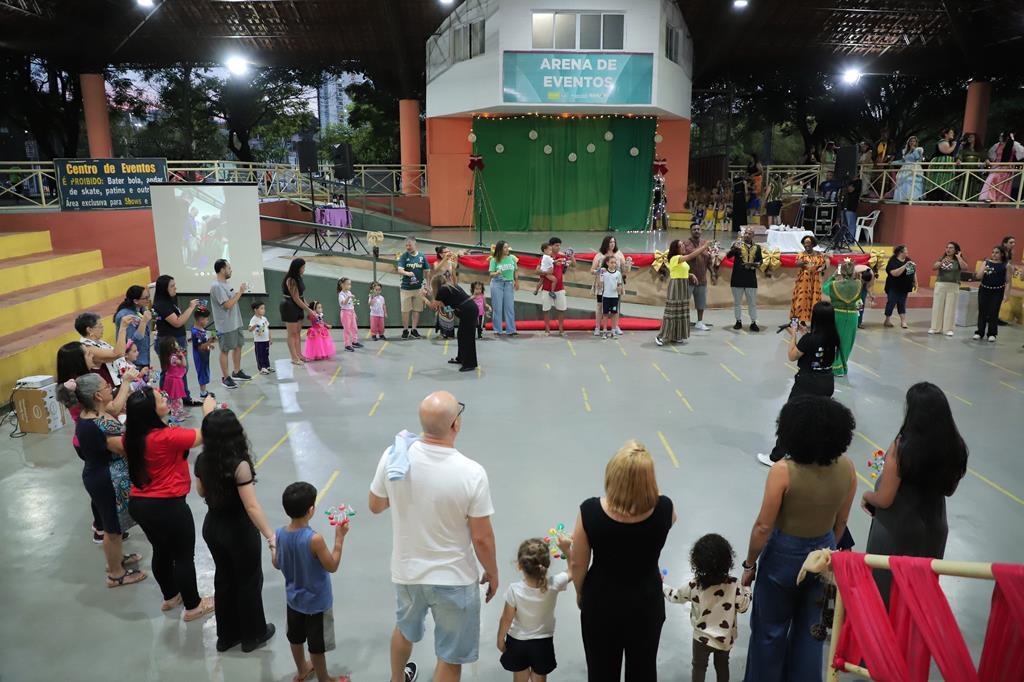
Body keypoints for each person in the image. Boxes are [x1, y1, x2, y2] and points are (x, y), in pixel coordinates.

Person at [368, 391, 497, 682]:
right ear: (455, 425)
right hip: (453, 578)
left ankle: (396, 679)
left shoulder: (394, 456)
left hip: (407, 574)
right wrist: (492, 571)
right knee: (450, 657)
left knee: (404, 628)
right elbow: (482, 539)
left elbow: (375, 505)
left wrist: (404, 494)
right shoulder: (472, 473)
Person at [741, 397, 857, 682]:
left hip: (783, 555)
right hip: (824, 553)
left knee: (770, 630)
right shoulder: (848, 468)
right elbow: (841, 522)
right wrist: (826, 546)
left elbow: (763, 526)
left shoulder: (783, 471)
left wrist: (749, 563)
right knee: (811, 631)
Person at [572, 441, 676, 681]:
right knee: (643, 669)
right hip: (646, 603)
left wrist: (580, 593)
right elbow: (668, 518)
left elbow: (578, 564)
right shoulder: (665, 508)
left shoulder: (590, 512)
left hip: (601, 604)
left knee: (601, 671)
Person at [862, 383, 968, 605]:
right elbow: (949, 490)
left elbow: (885, 499)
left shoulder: (902, 447)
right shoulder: (955, 447)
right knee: (919, 598)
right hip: (934, 528)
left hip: (896, 531)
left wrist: (867, 496)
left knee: (884, 597)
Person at [124, 387, 218, 622]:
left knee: (161, 551)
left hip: (140, 504)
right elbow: (204, 434)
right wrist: (208, 411)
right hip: (167, 505)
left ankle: (170, 596)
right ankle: (194, 605)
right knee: (184, 556)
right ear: (151, 411)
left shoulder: (132, 436)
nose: (165, 398)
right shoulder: (166, 437)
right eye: (160, 399)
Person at [194, 408, 275, 652]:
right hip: (238, 529)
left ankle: (226, 636)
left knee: (225, 578)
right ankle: (253, 635)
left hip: (213, 526)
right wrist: (270, 535)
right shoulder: (239, 466)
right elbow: (251, 505)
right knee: (249, 581)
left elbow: (200, 492)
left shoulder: (201, 460)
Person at [58, 372, 147, 587]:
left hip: (103, 476)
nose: (110, 388)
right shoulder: (96, 424)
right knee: (113, 529)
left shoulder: (94, 413)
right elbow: (125, 448)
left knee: (114, 525)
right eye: (106, 386)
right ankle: (116, 574)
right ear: (98, 395)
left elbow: (116, 408)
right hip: (106, 479)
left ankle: (116, 559)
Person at [274, 482, 349, 682]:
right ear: (311, 510)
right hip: (316, 603)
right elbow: (331, 565)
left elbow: (276, 563)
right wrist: (339, 539)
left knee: (295, 639)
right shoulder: (314, 539)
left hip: (293, 600)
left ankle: (302, 670)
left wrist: (274, 548)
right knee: (316, 646)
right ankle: (325, 679)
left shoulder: (280, 534)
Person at [758, 301, 840, 467]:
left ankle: (776, 457)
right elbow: (819, 346)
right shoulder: (835, 337)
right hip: (827, 382)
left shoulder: (809, 339)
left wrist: (794, 334)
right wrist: (806, 333)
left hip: (807, 384)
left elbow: (792, 355)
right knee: (816, 420)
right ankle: (813, 455)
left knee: (790, 420)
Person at [663, 533, 751, 682]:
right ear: (728, 561)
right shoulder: (734, 585)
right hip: (724, 638)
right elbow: (743, 607)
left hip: (700, 638)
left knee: (698, 667)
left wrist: (662, 585)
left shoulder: (694, 585)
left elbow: (675, 596)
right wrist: (747, 588)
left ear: (697, 562)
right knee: (722, 666)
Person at [497, 535, 573, 681]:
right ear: (547, 565)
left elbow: (506, 619)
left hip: (517, 642)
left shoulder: (514, 590)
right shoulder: (554, 584)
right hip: (542, 643)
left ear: (519, 565)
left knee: (520, 678)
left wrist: (500, 639)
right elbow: (573, 571)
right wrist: (566, 549)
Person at [153, 274, 202, 405]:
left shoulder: (171, 300)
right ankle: (164, 399)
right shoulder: (161, 304)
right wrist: (191, 308)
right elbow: (177, 322)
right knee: (169, 371)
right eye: (172, 286)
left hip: (178, 339)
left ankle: (184, 396)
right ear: (164, 288)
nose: (175, 288)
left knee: (182, 369)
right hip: (168, 342)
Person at [655, 238, 709, 346]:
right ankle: (661, 336)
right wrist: (704, 247)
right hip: (676, 286)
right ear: (676, 249)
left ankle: (677, 335)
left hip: (683, 285)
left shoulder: (680, 260)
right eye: (681, 246)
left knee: (681, 312)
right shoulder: (675, 258)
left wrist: (690, 275)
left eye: (683, 245)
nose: (683, 247)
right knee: (671, 312)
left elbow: (679, 271)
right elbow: (690, 256)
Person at [424, 274, 478, 372]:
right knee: (461, 335)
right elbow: (446, 307)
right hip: (468, 310)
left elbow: (433, 306)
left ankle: (470, 364)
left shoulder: (442, 290)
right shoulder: (450, 287)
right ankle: (461, 358)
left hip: (468, 312)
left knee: (467, 337)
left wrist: (422, 297)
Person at [210, 258, 251, 388]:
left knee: (238, 346)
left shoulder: (226, 284)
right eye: (228, 268)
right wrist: (240, 293)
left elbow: (232, 300)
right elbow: (227, 305)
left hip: (235, 322)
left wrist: (239, 292)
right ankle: (226, 377)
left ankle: (237, 371)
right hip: (225, 325)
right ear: (222, 269)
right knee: (225, 350)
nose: (230, 270)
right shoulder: (217, 287)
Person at [822, 260, 864, 377]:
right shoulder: (858, 284)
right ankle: (843, 365)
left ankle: (836, 366)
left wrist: (834, 277)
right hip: (852, 315)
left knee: (835, 340)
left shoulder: (834, 285)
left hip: (837, 315)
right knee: (847, 342)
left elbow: (824, 289)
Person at [76, 311, 131, 387]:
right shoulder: (88, 348)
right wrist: (123, 328)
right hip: (106, 384)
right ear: (89, 330)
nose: (102, 328)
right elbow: (118, 353)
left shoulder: (98, 342)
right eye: (100, 326)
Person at [590, 236, 629, 337]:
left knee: (615, 307)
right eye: (610, 242)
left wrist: (628, 266)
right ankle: (598, 327)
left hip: (614, 285)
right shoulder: (599, 255)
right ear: (605, 243)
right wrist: (599, 272)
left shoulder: (619, 254)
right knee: (600, 305)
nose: (612, 244)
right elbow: (592, 270)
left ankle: (615, 326)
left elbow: (624, 269)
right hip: (602, 285)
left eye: (614, 242)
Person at [281, 258, 315, 365]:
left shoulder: (299, 277)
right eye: (303, 267)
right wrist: (308, 310)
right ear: (297, 268)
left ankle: (300, 354)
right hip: (289, 306)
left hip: (298, 306)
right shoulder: (290, 279)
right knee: (292, 333)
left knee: (297, 333)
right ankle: (294, 357)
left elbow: (301, 296)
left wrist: (308, 305)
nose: (304, 269)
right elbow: (295, 298)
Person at [929, 242, 968, 336]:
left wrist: (959, 257)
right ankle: (935, 328)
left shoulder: (958, 260)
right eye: (947, 247)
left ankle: (948, 329)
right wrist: (942, 262)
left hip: (953, 285)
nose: (948, 249)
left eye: (951, 248)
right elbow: (934, 267)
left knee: (950, 307)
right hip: (941, 284)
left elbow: (965, 268)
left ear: (955, 250)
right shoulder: (942, 258)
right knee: (938, 306)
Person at [726, 230, 762, 332]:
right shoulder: (737, 245)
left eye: (749, 233)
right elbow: (728, 256)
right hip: (737, 277)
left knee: (752, 303)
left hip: (751, 278)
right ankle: (738, 321)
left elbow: (760, 261)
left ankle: (753, 322)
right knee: (737, 302)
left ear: (753, 236)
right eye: (745, 233)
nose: (747, 235)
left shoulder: (757, 247)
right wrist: (734, 249)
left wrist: (754, 264)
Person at [974, 245, 1011, 342]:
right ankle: (979, 332)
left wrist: (1006, 294)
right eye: (993, 252)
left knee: (993, 312)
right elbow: (978, 276)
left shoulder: (1006, 265)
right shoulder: (986, 263)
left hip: (997, 291)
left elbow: (1008, 281)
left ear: (1002, 254)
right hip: (984, 290)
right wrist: (984, 270)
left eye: (997, 252)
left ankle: (992, 333)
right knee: (982, 311)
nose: (994, 254)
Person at [789, 236, 827, 325]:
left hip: (815, 280)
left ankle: (814, 322)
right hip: (803, 281)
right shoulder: (801, 255)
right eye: (805, 243)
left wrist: (821, 268)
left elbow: (824, 265)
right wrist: (801, 263)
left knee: (814, 302)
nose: (806, 245)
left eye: (808, 243)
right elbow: (796, 263)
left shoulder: (818, 254)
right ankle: (797, 322)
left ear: (813, 244)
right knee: (800, 301)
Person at [397, 237, 430, 339]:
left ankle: (414, 330)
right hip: (406, 289)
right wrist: (407, 273)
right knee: (405, 310)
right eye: (406, 245)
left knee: (417, 310)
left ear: (415, 244)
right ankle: (405, 330)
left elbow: (427, 271)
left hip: (418, 288)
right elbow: (399, 270)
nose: (408, 247)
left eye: (410, 245)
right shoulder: (404, 256)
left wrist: (427, 284)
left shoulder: (421, 256)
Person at [682, 225, 714, 330]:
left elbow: (708, 260)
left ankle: (699, 322)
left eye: (698, 229)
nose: (696, 231)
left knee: (701, 303)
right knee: (684, 302)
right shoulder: (686, 244)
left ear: (701, 231)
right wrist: (705, 247)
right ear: (690, 231)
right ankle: (683, 321)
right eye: (694, 229)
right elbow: (692, 254)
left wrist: (712, 273)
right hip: (688, 279)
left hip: (702, 279)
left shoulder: (705, 243)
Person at [541, 238, 575, 335]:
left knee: (561, 309)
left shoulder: (562, 256)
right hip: (547, 288)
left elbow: (574, 265)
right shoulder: (545, 257)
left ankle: (561, 330)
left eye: (559, 245)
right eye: (556, 245)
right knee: (546, 310)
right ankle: (547, 330)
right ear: (550, 246)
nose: (558, 247)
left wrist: (571, 256)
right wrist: (546, 272)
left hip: (560, 288)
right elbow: (537, 270)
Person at [113, 285, 152, 368]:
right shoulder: (126, 316)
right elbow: (131, 341)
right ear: (136, 301)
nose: (148, 300)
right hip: (134, 362)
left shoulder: (141, 309)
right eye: (145, 298)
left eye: (148, 296)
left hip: (144, 357)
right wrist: (144, 321)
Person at [489, 240, 519, 336]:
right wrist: (497, 273)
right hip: (497, 284)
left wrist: (516, 281)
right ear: (500, 249)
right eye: (505, 247)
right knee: (497, 307)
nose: (507, 249)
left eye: (508, 247)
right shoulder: (494, 260)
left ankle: (511, 329)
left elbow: (516, 270)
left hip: (509, 284)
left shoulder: (512, 258)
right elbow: (491, 274)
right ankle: (497, 330)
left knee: (509, 307)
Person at [157, 336, 190, 422]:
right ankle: (176, 415)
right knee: (176, 399)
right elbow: (184, 364)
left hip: (174, 379)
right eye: (175, 344)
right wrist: (182, 356)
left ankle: (180, 411)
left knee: (177, 398)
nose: (177, 344)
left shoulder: (171, 356)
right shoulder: (173, 358)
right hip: (174, 380)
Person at [883, 245, 916, 329]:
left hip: (905, 286)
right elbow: (895, 273)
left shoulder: (908, 260)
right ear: (900, 252)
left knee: (902, 303)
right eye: (906, 250)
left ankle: (903, 321)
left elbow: (912, 272)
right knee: (891, 303)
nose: (907, 252)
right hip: (893, 286)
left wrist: (915, 282)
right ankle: (887, 319)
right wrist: (905, 266)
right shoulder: (893, 261)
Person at [981, 132, 1016, 203]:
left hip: (1006, 167)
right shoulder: (997, 145)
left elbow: (1020, 153)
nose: (1000, 137)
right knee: (991, 179)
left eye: (1002, 136)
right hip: (997, 166)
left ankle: (997, 201)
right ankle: (989, 197)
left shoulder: (1014, 145)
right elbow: (990, 154)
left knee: (1002, 185)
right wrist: (988, 159)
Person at [928, 127, 960, 200]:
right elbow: (946, 151)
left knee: (944, 181)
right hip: (941, 163)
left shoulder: (949, 142)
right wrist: (954, 145)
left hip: (947, 164)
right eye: (951, 133)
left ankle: (940, 198)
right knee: (938, 180)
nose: (953, 134)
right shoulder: (943, 141)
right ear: (946, 134)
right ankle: (934, 199)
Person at [190, 305, 216, 397]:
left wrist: (209, 345)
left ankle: (204, 391)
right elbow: (200, 347)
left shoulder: (201, 329)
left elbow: (204, 342)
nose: (207, 321)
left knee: (205, 371)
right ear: (200, 319)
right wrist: (209, 342)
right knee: (202, 372)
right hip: (200, 356)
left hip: (204, 355)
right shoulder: (195, 332)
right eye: (206, 319)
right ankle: (203, 392)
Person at [598, 255, 624, 339]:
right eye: (611, 262)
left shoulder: (618, 273)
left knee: (613, 314)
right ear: (607, 263)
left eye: (615, 263)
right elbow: (600, 284)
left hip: (614, 297)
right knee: (605, 314)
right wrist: (600, 275)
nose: (613, 264)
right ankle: (604, 331)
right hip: (606, 296)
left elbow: (619, 284)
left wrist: (619, 288)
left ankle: (613, 331)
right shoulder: (604, 273)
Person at [894, 136, 926, 202]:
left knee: (911, 182)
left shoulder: (919, 150)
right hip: (905, 168)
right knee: (903, 181)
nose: (912, 142)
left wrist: (914, 150)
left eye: (914, 141)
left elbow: (918, 159)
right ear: (908, 142)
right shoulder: (905, 151)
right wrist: (892, 162)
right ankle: (902, 198)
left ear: (916, 143)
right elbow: (902, 161)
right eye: (911, 141)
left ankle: (912, 198)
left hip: (914, 167)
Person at [336, 277, 362, 351]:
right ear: (342, 285)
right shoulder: (341, 294)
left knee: (354, 328)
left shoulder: (349, 292)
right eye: (348, 284)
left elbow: (351, 304)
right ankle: (347, 345)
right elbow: (343, 303)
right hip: (345, 313)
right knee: (347, 329)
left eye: (350, 284)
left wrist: (354, 313)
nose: (349, 286)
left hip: (351, 312)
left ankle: (354, 341)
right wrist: (348, 297)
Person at [248, 301, 274, 374]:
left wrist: (270, 338)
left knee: (266, 353)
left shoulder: (264, 318)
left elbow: (267, 329)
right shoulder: (254, 319)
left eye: (264, 308)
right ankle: (261, 368)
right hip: (259, 341)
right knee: (260, 355)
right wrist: (254, 326)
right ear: (256, 310)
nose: (263, 310)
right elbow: (249, 329)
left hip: (266, 340)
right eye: (261, 308)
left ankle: (267, 366)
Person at [841, 175, 862, 241]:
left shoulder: (858, 183)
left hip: (851, 208)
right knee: (844, 224)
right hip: (845, 207)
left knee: (851, 224)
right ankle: (843, 237)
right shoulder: (849, 182)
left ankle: (851, 238)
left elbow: (854, 189)